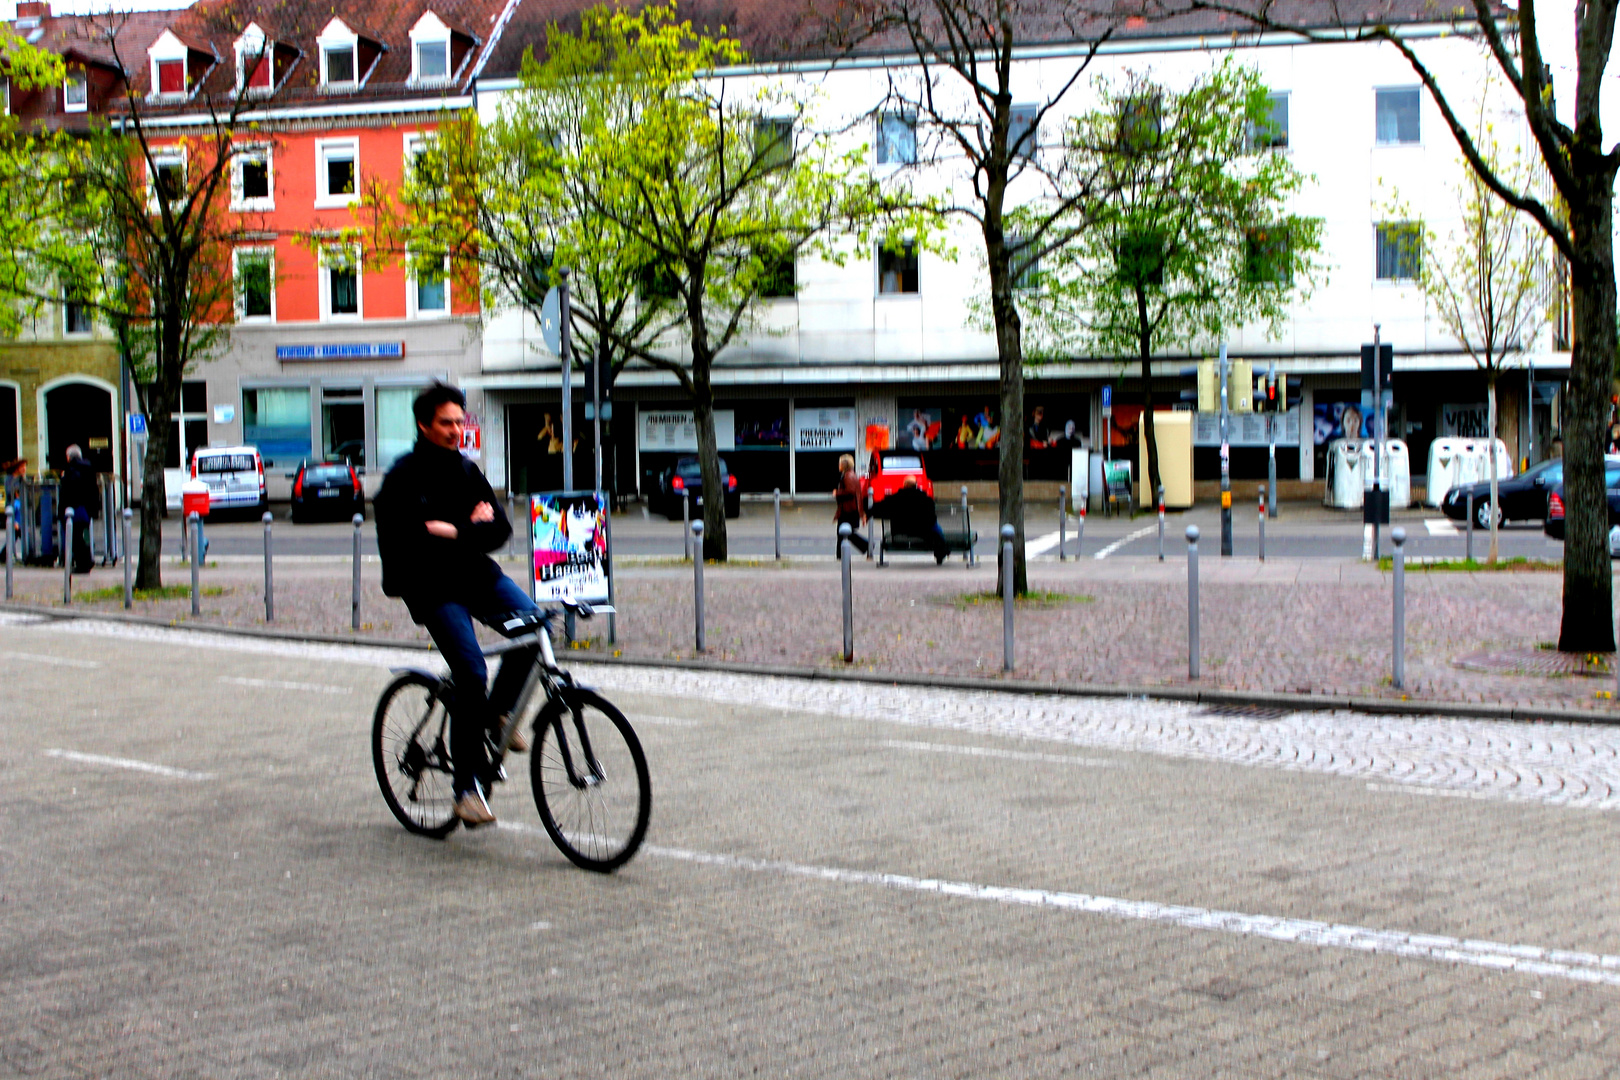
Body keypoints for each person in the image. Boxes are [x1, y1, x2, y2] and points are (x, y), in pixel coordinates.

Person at [375, 383, 538, 828]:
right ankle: (466, 790)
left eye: (460, 421)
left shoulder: (467, 472)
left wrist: (454, 530)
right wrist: (467, 527)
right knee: (470, 671)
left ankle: (496, 712)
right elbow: (409, 539)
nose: (456, 430)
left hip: (474, 575)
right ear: (424, 424)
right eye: (446, 422)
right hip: (431, 587)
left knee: (537, 628)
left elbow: (500, 529)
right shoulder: (402, 479)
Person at [870, 476, 949, 564]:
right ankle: (941, 553)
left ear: (904, 485)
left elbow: (880, 506)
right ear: (916, 486)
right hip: (923, 531)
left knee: (934, 527)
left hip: (900, 531)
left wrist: (867, 513)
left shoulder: (896, 498)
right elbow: (932, 518)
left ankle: (941, 550)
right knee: (936, 528)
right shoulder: (926, 500)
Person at [58, 444, 101, 574]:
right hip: (87, 508)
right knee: (82, 536)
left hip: (74, 508)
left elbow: (69, 490)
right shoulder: (88, 468)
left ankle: (83, 564)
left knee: (75, 537)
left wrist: (63, 478)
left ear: (68, 457)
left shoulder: (71, 470)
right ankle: (87, 560)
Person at [832, 452, 870, 558]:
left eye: (840, 463)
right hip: (850, 508)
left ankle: (866, 545)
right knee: (844, 533)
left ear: (844, 465)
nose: (838, 465)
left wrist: (837, 492)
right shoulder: (849, 474)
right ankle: (840, 556)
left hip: (848, 509)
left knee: (844, 532)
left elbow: (851, 491)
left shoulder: (848, 476)